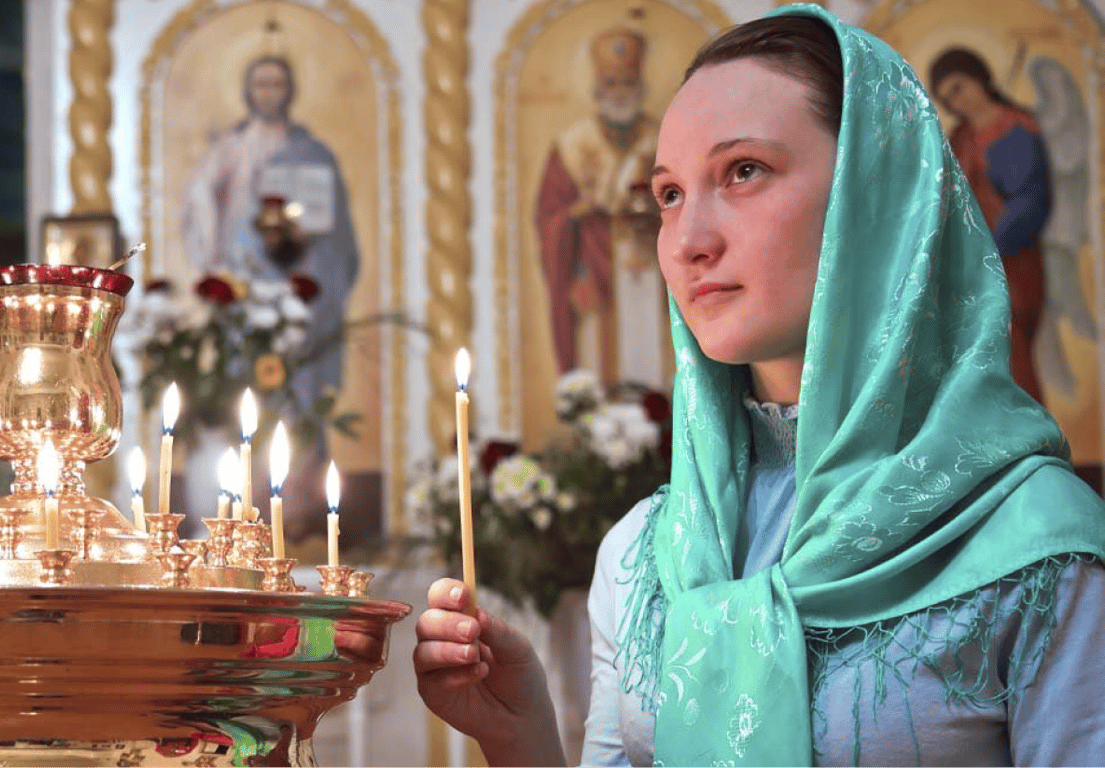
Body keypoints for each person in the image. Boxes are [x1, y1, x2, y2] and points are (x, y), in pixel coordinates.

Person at [414, 5, 1105, 766]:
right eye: (669, 195)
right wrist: (523, 737)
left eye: (744, 172)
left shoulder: (1037, 546)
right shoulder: (647, 553)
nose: (688, 242)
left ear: (877, 196)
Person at [179, 54, 360, 419]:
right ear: (247, 91)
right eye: (260, 84)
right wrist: (216, 256)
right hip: (247, 270)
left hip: (301, 270)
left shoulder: (311, 150)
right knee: (248, 377)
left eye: (277, 84)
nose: (268, 93)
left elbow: (336, 224)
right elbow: (200, 197)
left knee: (301, 375)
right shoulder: (233, 146)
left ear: (290, 90)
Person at [535, 28, 667, 390]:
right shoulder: (573, 146)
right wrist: (576, 212)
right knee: (600, 363)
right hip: (595, 274)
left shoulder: (663, 138)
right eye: (612, 83)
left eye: (628, 82)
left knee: (653, 353)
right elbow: (549, 217)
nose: (620, 92)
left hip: (652, 271)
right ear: (598, 89)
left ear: (640, 87)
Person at [928, 47, 1052, 404]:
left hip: (1009, 260)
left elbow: (1028, 199)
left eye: (958, 87)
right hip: (971, 263)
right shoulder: (960, 139)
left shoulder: (1015, 130)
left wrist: (990, 251)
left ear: (979, 79)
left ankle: (1028, 438)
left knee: (1010, 349)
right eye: (946, 96)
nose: (955, 101)